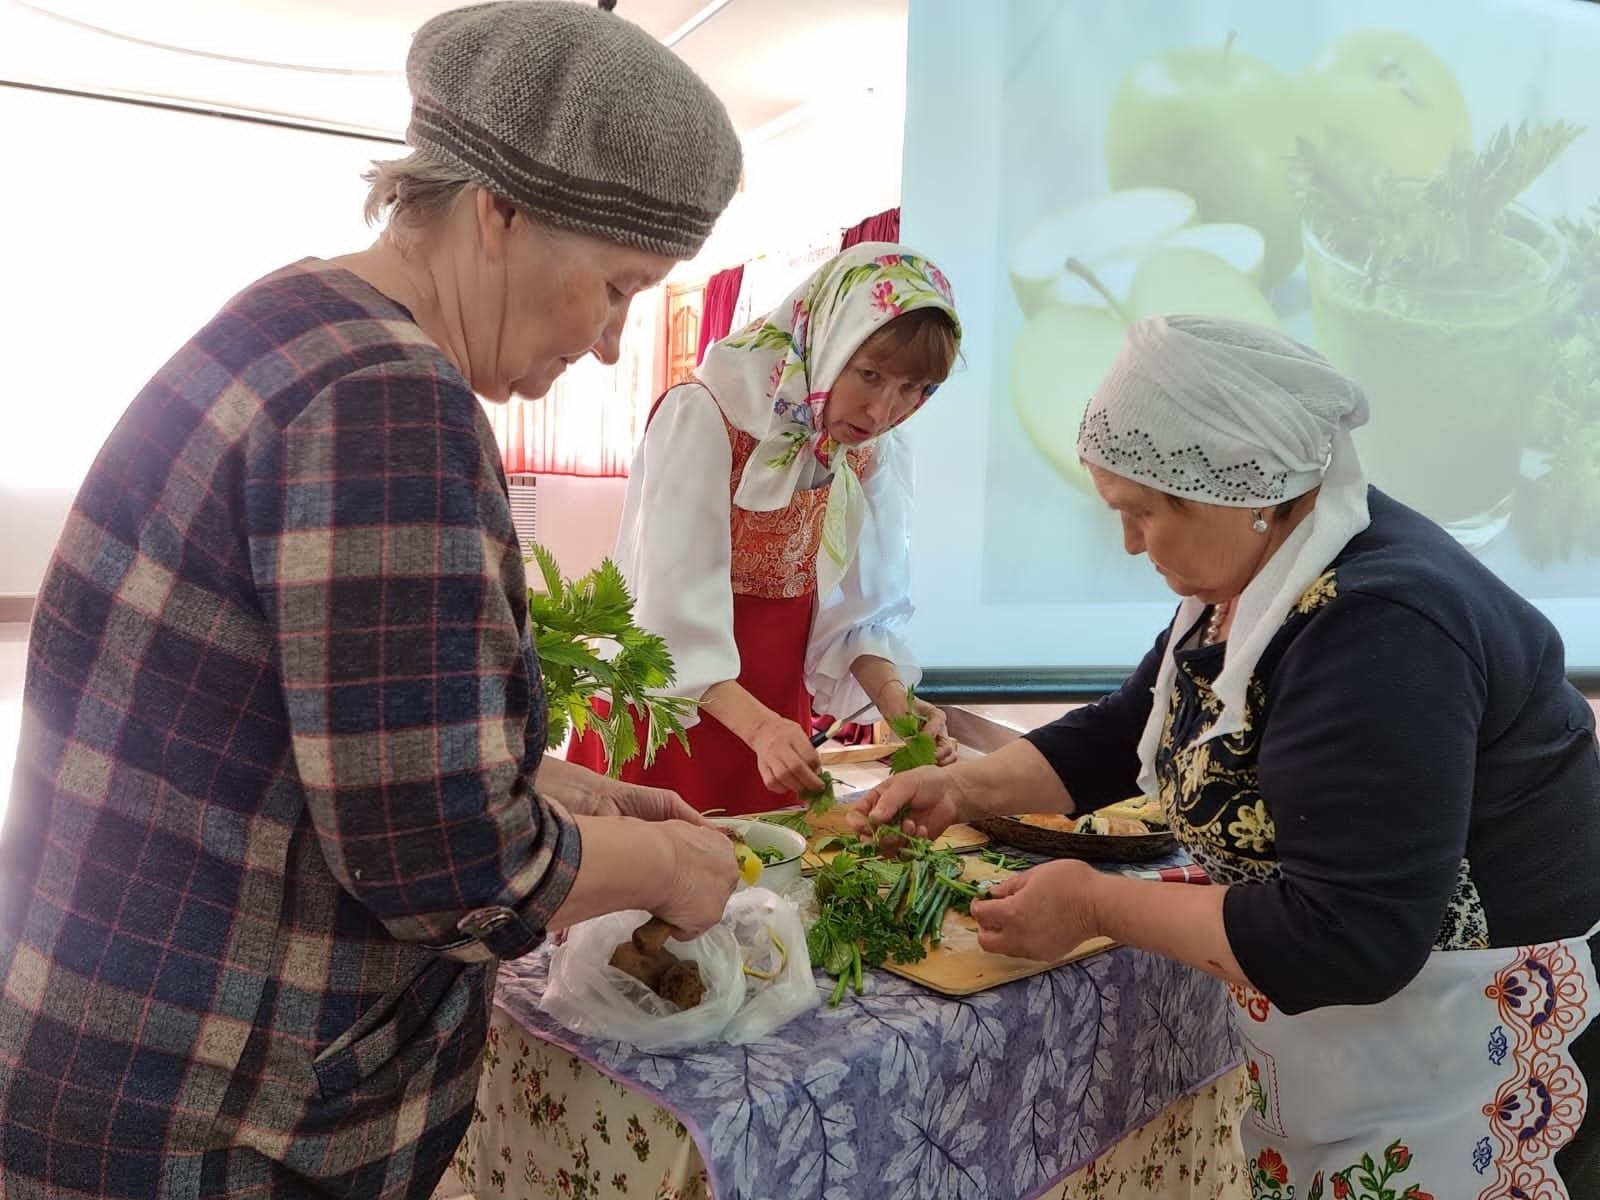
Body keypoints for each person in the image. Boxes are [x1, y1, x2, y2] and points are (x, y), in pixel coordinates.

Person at [0, 5, 745, 1197]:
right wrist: (659, 870)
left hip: (123, 1042)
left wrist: (550, 782)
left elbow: (301, 733)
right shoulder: (388, 400)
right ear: (497, 211)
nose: (609, 345)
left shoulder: (294, 323)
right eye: (612, 288)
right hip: (214, 1110)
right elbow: (452, 869)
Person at [857, 315, 1600, 1195]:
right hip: (1367, 1039)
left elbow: (1348, 939)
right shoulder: (1258, 574)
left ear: (1228, 492)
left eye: (1139, 515)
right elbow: (1127, 728)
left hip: (1463, 1038)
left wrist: (1099, 903)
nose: (1129, 545)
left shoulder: (1379, 628)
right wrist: (959, 786)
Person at [566, 245, 962, 815]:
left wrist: (898, 702)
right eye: (869, 375)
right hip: (671, 715)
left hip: (774, 722)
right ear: (826, 338)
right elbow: (666, 625)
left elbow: (856, 615)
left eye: (913, 389)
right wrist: (760, 730)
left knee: (769, 895)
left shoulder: (869, 450)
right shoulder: (706, 416)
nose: (881, 412)